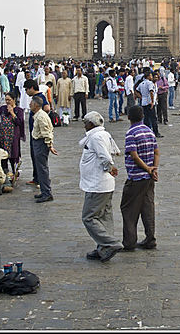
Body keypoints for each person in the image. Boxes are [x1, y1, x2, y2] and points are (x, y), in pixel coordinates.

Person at [78, 111, 123, 262]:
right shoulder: (103, 135)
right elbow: (115, 150)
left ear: (91, 124)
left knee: (88, 217)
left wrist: (111, 167)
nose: (84, 126)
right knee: (104, 216)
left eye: (85, 123)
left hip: (97, 184)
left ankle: (110, 243)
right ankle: (103, 248)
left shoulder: (96, 137)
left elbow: (105, 156)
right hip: (103, 184)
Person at [120, 105, 159, 252]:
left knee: (128, 209)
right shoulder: (149, 131)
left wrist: (147, 168)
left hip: (136, 177)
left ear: (128, 117)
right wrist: (153, 168)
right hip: (148, 177)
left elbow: (134, 156)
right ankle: (150, 238)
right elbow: (156, 152)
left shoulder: (131, 133)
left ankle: (129, 241)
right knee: (147, 207)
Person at [31, 96, 58, 203]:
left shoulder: (41, 117)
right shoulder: (39, 115)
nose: (30, 105)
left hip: (41, 143)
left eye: (32, 103)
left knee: (42, 169)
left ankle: (46, 193)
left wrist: (50, 145)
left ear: (36, 105)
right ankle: (44, 190)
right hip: (38, 142)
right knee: (40, 168)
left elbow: (46, 132)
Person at [135, 68, 159, 136]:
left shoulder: (141, 83)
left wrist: (141, 97)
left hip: (144, 102)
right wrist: (152, 101)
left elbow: (136, 91)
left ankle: (146, 131)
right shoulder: (149, 83)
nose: (152, 77)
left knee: (146, 118)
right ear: (148, 76)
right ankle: (155, 132)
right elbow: (151, 92)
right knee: (153, 118)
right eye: (151, 76)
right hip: (149, 102)